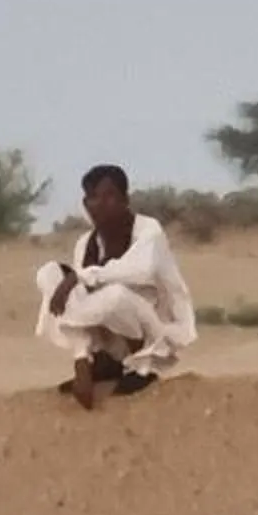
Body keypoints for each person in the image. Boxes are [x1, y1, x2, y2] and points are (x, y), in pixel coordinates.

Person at [34, 163, 197, 408]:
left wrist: (81, 276)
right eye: (93, 197)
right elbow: (79, 302)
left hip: (153, 327)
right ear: (85, 204)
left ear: (125, 199)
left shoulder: (148, 231)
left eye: (110, 196)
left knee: (115, 295)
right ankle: (90, 361)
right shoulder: (85, 243)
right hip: (109, 333)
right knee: (49, 274)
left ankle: (140, 367)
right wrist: (73, 282)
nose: (101, 204)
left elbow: (140, 271)